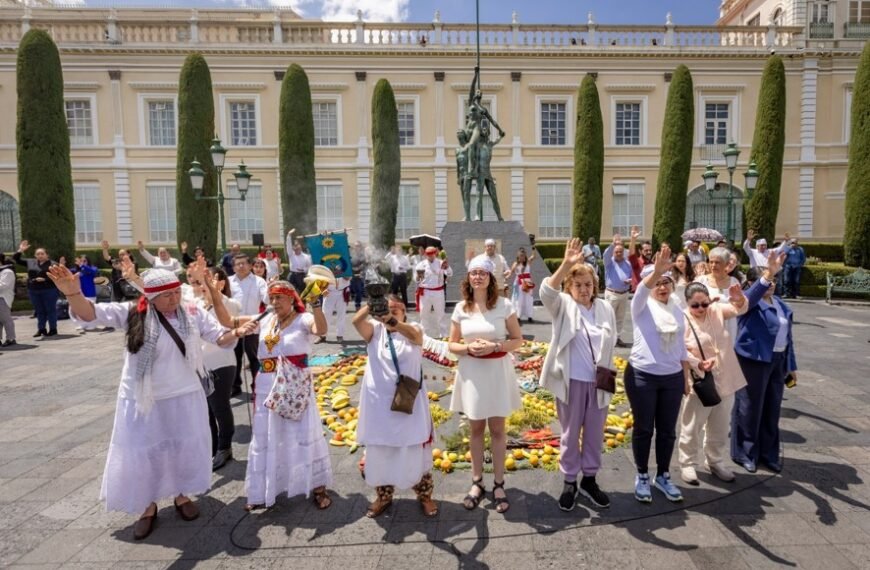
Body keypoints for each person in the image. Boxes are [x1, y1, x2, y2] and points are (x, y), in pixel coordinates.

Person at [48, 263, 238, 539]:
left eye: (176, 293)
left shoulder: (192, 312)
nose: (174, 299)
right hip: (143, 398)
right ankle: (147, 505)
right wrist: (74, 293)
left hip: (184, 394)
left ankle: (182, 495)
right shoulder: (132, 313)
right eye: (166, 295)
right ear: (150, 297)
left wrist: (237, 333)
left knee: (182, 446)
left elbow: (220, 337)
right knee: (144, 450)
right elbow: (90, 314)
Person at [210, 278, 333, 511]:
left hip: (296, 384)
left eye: (279, 298)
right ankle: (262, 491)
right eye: (271, 297)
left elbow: (322, 329)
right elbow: (226, 321)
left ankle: (317, 486)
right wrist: (212, 292)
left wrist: (316, 304)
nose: (274, 302)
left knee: (302, 430)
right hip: (267, 382)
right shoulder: (264, 319)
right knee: (267, 433)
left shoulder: (303, 318)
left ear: (291, 299)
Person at [540, 239, 617, 511]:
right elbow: (545, 292)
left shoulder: (605, 308)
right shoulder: (562, 305)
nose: (584, 289)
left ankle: (590, 480)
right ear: (569, 288)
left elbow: (612, 339)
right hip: (572, 381)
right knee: (571, 433)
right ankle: (570, 481)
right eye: (578, 285)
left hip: (600, 382)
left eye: (588, 284)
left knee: (595, 433)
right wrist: (566, 265)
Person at [448, 256, 523, 514]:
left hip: (497, 371)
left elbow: (518, 340)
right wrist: (467, 348)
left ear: (491, 278)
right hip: (472, 373)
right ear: (467, 278)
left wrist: (496, 346)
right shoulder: (461, 308)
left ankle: (499, 484)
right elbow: (451, 344)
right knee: (476, 429)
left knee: (499, 430)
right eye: (473, 273)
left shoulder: (504, 305)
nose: (478, 277)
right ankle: (477, 482)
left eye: (483, 273)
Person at [351, 296, 437, 518]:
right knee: (381, 451)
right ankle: (383, 497)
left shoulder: (413, 328)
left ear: (404, 313)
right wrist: (372, 301)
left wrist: (393, 321)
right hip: (379, 406)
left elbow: (416, 337)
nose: (393, 310)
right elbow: (356, 322)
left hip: (408, 404)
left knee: (413, 449)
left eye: (398, 308)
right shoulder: (375, 332)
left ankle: (425, 496)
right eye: (388, 308)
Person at [624, 246, 691, 503]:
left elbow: (681, 345)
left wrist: (685, 377)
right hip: (643, 376)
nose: (662, 287)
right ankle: (642, 475)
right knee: (643, 429)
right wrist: (655, 272)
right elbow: (641, 291)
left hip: (672, 377)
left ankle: (663, 475)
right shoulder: (641, 306)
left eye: (667, 282)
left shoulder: (677, 308)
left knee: (667, 431)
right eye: (658, 283)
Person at [678, 282, 748, 485]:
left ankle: (715, 460)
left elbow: (739, 309)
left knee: (720, 424)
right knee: (692, 425)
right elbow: (679, 350)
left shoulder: (716, 310)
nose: (700, 309)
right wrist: (697, 362)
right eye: (695, 305)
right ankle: (687, 463)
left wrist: (738, 297)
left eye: (704, 304)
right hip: (700, 380)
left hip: (726, 377)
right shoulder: (682, 319)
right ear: (687, 303)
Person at [732, 254, 796, 474]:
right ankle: (745, 453)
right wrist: (768, 274)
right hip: (753, 360)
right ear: (752, 283)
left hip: (777, 361)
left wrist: (791, 366)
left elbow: (788, 338)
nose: (771, 285)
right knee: (749, 407)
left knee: (772, 408)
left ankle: (768, 454)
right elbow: (751, 296)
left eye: (774, 282)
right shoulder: (748, 302)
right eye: (768, 282)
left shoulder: (781, 305)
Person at [192, 267, 241, 471]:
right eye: (201, 283)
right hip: (200, 366)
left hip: (222, 363)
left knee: (219, 407)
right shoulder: (195, 306)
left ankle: (225, 447)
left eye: (210, 280)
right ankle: (210, 449)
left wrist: (216, 294)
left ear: (220, 284)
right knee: (205, 411)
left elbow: (229, 321)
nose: (204, 285)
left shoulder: (230, 304)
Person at [229, 254, 268, 397]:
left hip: (253, 326)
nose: (241, 266)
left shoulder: (259, 282)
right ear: (233, 267)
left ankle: (256, 387)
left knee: (254, 359)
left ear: (250, 265)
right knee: (235, 358)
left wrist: (271, 288)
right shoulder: (228, 282)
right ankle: (235, 386)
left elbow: (267, 298)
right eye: (237, 264)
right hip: (233, 327)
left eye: (244, 263)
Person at [13, 240, 59, 338]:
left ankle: (53, 329)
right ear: (35, 256)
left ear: (47, 255)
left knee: (50, 310)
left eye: (42, 253)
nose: (40, 255)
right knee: (39, 310)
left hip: (49, 290)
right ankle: (41, 329)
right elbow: (16, 259)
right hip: (34, 290)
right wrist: (21, 249)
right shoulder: (30, 262)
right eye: (38, 254)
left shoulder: (53, 264)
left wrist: (45, 279)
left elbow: (58, 278)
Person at [695, 247, 742, 341]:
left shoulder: (734, 282)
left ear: (726, 264)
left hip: (728, 325)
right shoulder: (701, 280)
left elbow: (740, 305)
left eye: (717, 262)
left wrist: (738, 301)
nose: (713, 265)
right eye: (711, 262)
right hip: (706, 325)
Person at [603, 234, 633, 348]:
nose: (619, 254)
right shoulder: (609, 262)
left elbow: (632, 275)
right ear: (613, 252)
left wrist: (630, 280)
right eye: (616, 252)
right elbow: (606, 254)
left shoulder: (627, 263)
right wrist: (613, 244)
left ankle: (617, 337)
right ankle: (607, 338)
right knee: (609, 316)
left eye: (620, 252)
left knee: (620, 318)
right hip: (612, 293)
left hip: (624, 294)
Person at [415, 246, 452, 337]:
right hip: (425, 291)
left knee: (440, 314)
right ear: (426, 255)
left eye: (432, 254)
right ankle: (424, 336)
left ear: (435, 254)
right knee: (424, 314)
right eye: (428, 255)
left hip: (438, 291)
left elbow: (450, 274)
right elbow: (416, 280)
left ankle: (443, 335)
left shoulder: (441, 263)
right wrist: (418, 276)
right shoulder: (421, 264)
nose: (430, 256)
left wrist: (447, 267)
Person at [508, 247, 537, 323]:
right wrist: (506, 277)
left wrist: (533, 247)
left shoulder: (528, 262)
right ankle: (518, 316)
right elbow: (511, 273)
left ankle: (529, 316)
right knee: (518, 300)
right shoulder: (515, 264)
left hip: (527, 282)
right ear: (518, 256)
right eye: (521, 255)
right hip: (518, 283)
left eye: (523, 255)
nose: (522, 257)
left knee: (528, 299)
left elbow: (533, 256)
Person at [321, 270, 350, 343]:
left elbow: (348, 278)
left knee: (341, 314)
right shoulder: (325, 264)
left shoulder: (345, 264)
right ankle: (322, 336)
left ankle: (340, 335)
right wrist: (322, 289)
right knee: (325, 314)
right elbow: (320, 278)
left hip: (342, 292)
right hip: (329, 292)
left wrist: (341, 272)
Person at [73, 255, 99, 333]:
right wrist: (62, 265)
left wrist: (82, 265)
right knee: (80, 310)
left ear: (88, 261)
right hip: (80, 293)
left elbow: (93, 272)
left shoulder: (93, 268)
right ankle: (81, 325)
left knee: (91, 310)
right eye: (81, 261)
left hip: (90, 293)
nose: (83, 263)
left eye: (84, 261)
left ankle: (92, 324)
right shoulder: (77, 270)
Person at [627, 226, 653, 291]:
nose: (649, 252)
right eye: (646, 250)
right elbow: (631, 254)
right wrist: (633, 239)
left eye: (650, 250)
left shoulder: (652, 263)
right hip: (639, 293)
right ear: (640, 251)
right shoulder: (637, 262)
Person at [0, 253, 15, 347]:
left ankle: (11, 338)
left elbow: (3, 286)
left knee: (5, 319)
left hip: (3, 298)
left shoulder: (7, 272)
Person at [349, 241, 367, 310]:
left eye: (358, 246)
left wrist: (359, 269)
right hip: (351, 275)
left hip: (359, 275)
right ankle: (344, 305)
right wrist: (352, 268)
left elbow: (364, 263)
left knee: (359, 291)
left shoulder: (362, 255)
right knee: (348, 290)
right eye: (356, 246)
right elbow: (348, 262)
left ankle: (357, 305)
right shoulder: (350, 254)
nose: (357, 247)